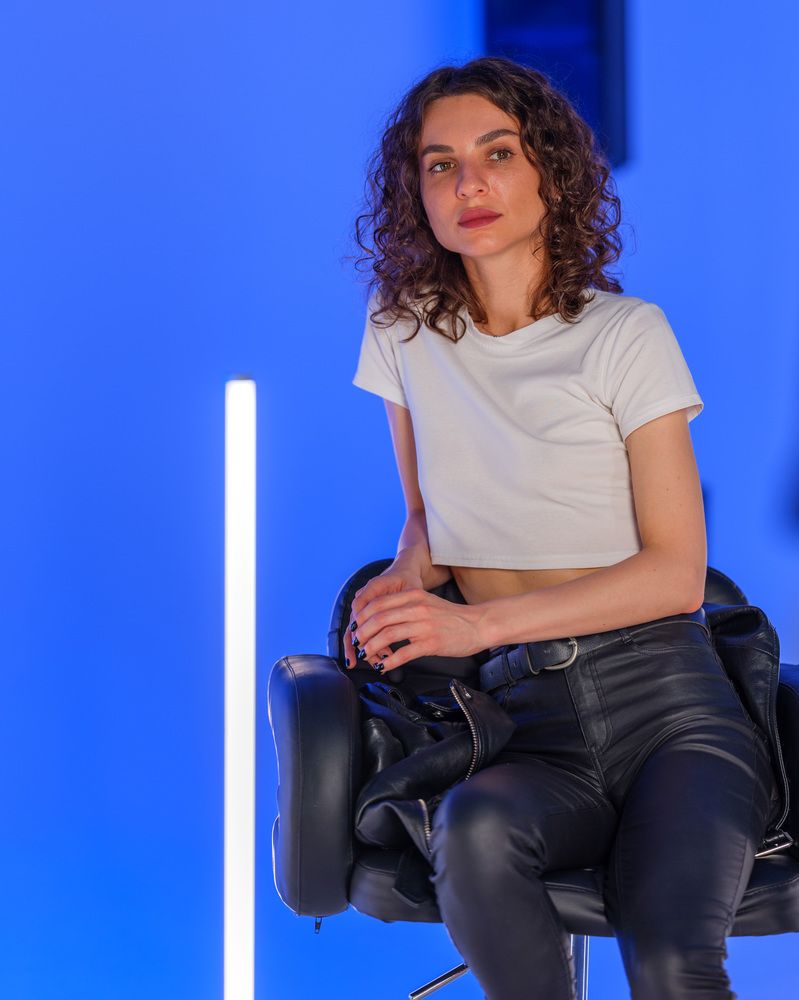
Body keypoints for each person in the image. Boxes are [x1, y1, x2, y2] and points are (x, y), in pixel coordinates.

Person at [342, 56, 779, 1000]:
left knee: (668, 963)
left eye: (497, 153)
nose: (469, 183)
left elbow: (675, 573)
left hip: (670, 711)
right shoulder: (400, 326)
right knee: (472, 828)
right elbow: (428, 518)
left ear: (551, 172)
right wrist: (404, 581)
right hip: (528, 727)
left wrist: (473, 624)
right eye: (440, 164)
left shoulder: (625, 333)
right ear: (416, 193)